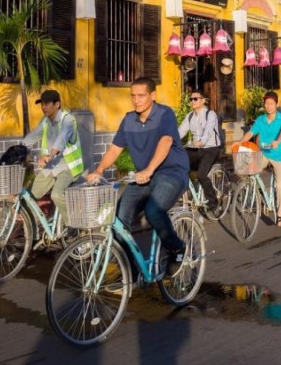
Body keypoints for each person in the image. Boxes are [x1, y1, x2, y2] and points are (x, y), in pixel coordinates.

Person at [86, 77, 190, 275]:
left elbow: (166, 141)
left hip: (171, 173)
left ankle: (176, 248)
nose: (136, 100)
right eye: (133, 96)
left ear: (153, 95)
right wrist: (99, 170)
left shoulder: (164, 114)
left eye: (141, 96)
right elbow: (115, 149)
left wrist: (149, 170)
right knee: (119, 218)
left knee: (153, 210)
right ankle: (130, 269)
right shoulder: (128, 120)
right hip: (143, 177)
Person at [22, 89, 84, 218]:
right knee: (29, 195)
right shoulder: (45, 121)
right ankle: (33, 225)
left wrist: (50, 155)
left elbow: (62, 139)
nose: (43, 107)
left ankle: (73, 222)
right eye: (42, 104)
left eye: (46, 104)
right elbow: (33, 136)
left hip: (68, 168)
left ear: (57, 105)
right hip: (50, 167)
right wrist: (18, 149)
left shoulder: (68, 120)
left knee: (56, 195)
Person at [234, 91, 281, 227]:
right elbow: (251, 133)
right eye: (266, 103)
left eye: (271, 103)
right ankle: (258, 192)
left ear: (277, 104)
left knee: (280, 184)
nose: (269, 106)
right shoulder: (261, 119)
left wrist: (277, 141)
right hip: (264, 153)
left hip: (279, 155)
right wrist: (240, 142)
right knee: (247, 170)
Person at [178, 89, 221, 211]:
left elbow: (208, 131)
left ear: (203, 100)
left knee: (202, 175)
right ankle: (186, 193)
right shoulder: (190, 116)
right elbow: (181, 131)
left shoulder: (210, 114)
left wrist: (201, 141)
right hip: (196, 149)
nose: (193, 101)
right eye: (191, 99)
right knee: (179, 164)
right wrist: (169, 140)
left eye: (195, 99)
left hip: (211, 149)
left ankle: (213, 201)